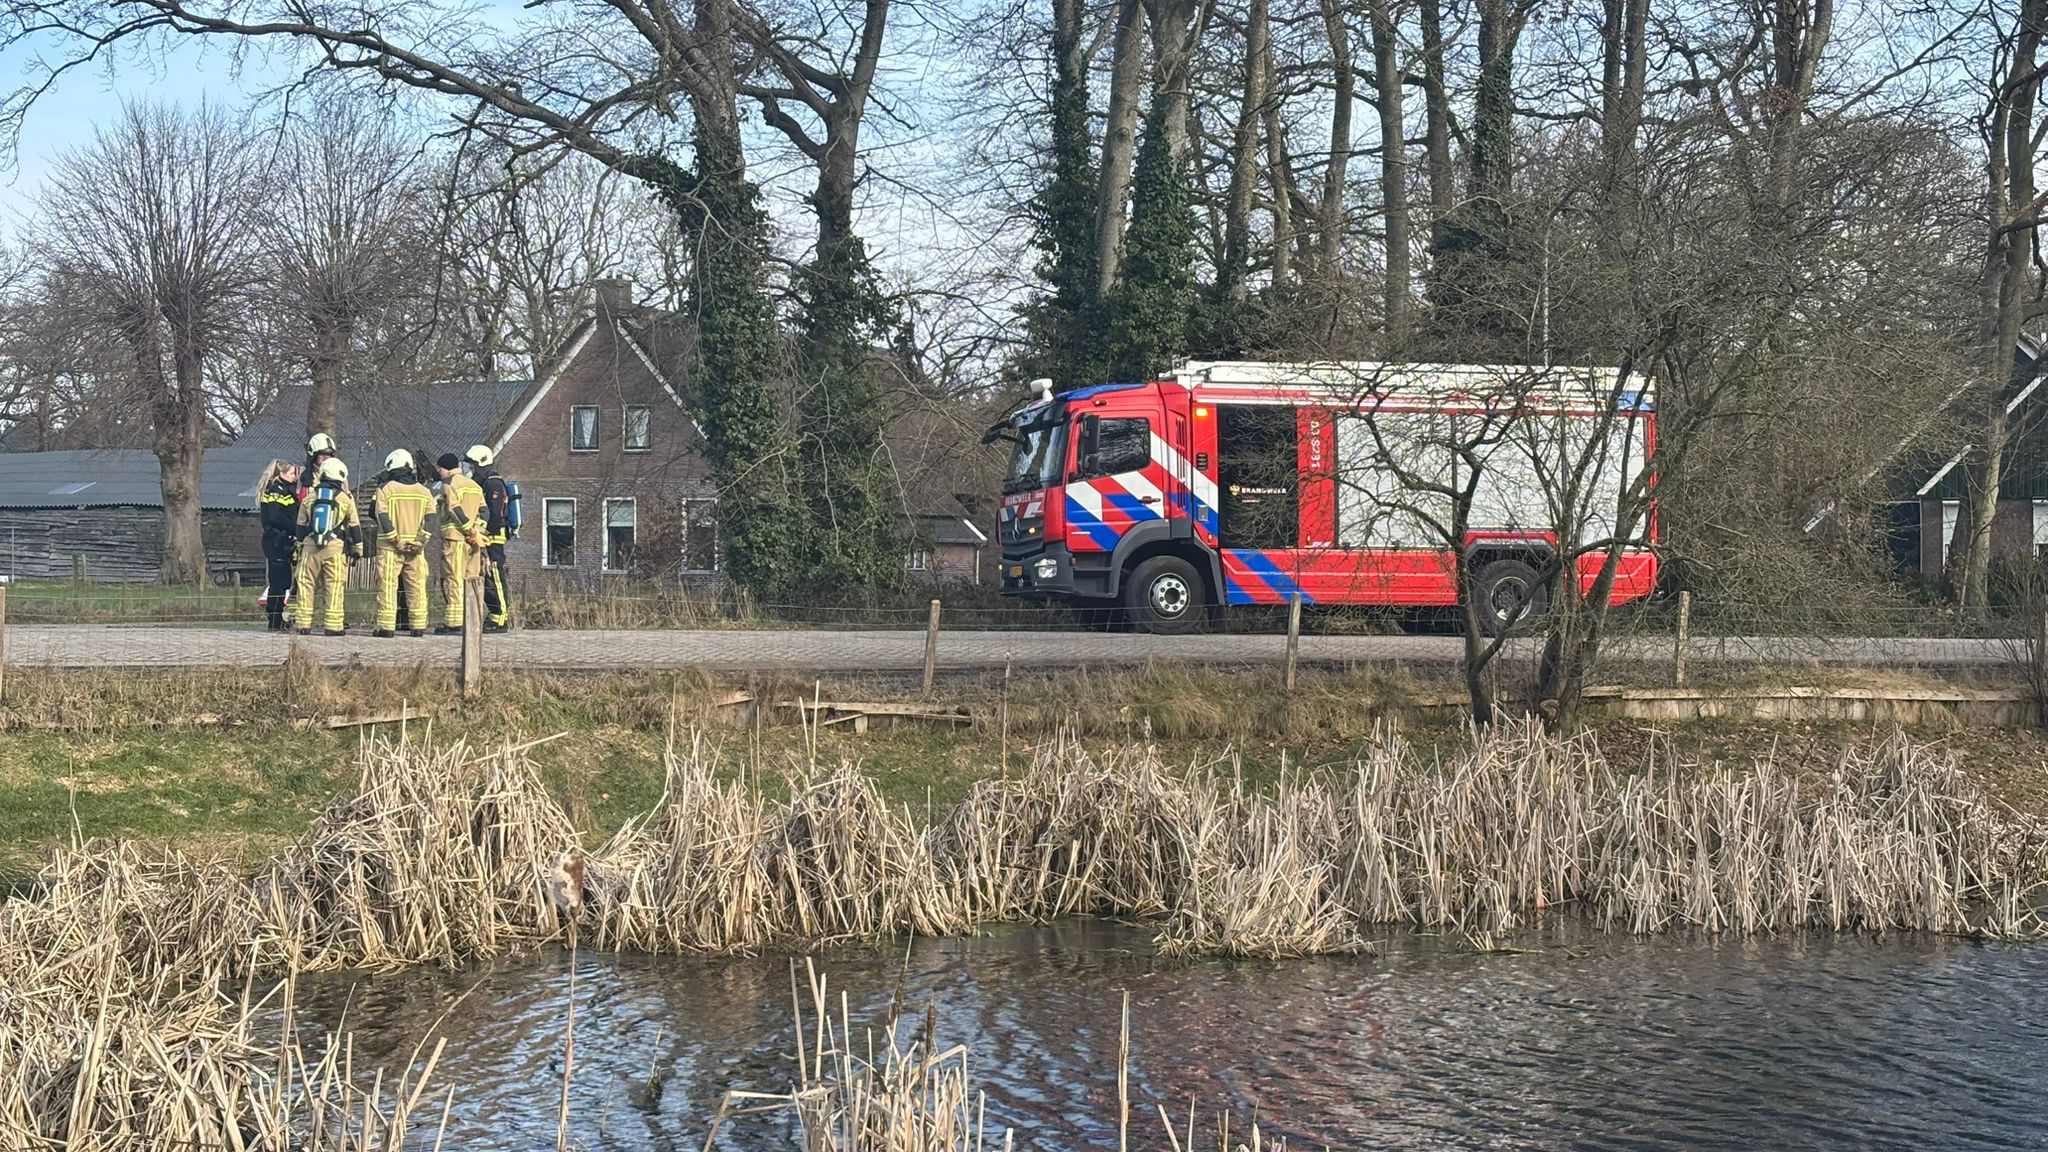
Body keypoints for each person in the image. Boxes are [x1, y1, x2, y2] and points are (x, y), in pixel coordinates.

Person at [292, 456, 362, 636]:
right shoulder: (345, 500)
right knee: (334, 584)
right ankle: (333, 626)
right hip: (335, 548)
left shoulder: (309, 498)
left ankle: (302, 624)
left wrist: (300, 547)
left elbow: (300, 527)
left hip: (310, 548)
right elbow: (354, 526)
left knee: (306, 584)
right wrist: (358, 549)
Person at [371, 449, 434, 639]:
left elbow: (382, 516)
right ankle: (418, 627)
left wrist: (395, 539)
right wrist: (420, 541)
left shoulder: (385, 489)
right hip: (416, 549)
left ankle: (386, 627)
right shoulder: (424, 491)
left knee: (388, 585)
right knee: (416, 586)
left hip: (390, 548)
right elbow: (431, 518)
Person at [435, 452, 486, 634]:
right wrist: (477, 532)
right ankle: (472, 619)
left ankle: (454, 623)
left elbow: (453, 508)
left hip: (455, 539)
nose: (439, 472)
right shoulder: (475, 486)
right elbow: (484, 512)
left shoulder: (449, 485)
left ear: (446, 468)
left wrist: (468, 530)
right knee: (471, 580)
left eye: (440, 468)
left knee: (453, 579)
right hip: (473, 543)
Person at [466, 444, 513, 632]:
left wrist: (484, 532)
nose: (471, 470)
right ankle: (493, 613)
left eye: (473, 466)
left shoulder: (493, 483)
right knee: (485, 575)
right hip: (485, 535)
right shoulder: (483, 483)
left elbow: (494, 513)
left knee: (495, 573)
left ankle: (500, 616)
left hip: (494, 536)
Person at [255, 460, 301, 631]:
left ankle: (277, 618)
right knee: (279, 582)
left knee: (282, 581)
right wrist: (295, 528)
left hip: (282, 540)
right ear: (281, 473)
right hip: (276, 541)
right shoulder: (276, 490)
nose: (293, 477)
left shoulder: (283, 489)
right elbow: (275, 517)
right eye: (290, 474)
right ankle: (274, 620)